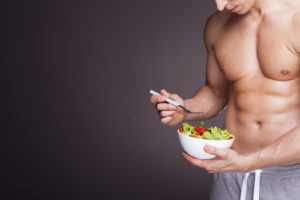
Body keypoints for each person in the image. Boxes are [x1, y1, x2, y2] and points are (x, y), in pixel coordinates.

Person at [150, 0, 300, 199]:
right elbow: (216, 92)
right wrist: (186, 108)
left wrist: (249, 162)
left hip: (291, 177)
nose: (220, 5)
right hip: (230, 172)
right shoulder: (217, 24)